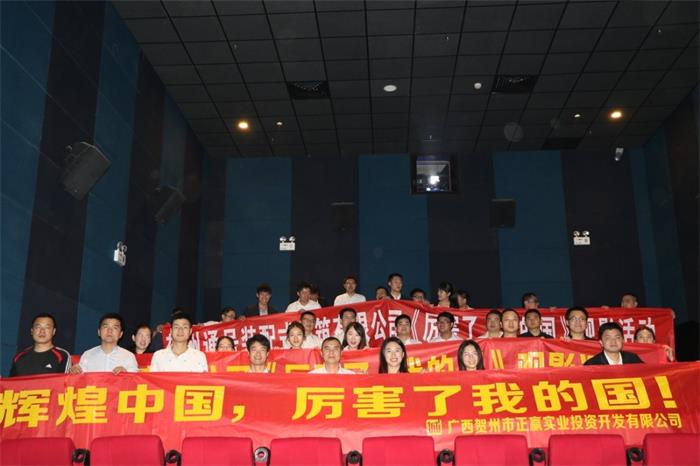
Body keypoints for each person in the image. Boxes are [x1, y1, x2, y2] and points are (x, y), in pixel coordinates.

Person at [70, 313, 138, 374]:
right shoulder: (87, 355)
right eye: (105, 327)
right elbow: (80, 379)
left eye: (115, 328)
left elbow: (135, 381)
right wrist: (75, 371)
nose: (109, 331)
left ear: (121, 334)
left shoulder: (129, 357)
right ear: (99, 332)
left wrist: (126, 374)